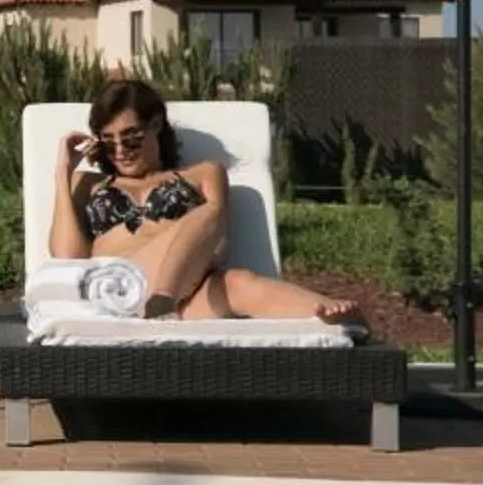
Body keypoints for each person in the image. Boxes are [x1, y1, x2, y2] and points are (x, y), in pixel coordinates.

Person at [49, 78, 368, 330]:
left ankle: (333, 314)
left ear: (156, 125)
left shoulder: (203, 173)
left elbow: (217, 244)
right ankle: (160, 303)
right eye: (108, 140)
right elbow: (67, 256)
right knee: (206, 213)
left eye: (131, 136)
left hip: (184, 297)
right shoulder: (88, 183)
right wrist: (64, 172)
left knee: (238, 281)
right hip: (115, 288)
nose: (120, 150)